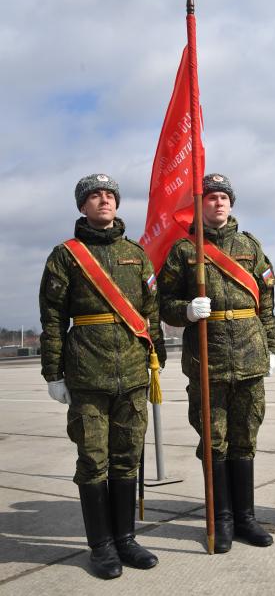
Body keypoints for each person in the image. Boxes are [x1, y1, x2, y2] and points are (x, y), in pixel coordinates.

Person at [39, 174, 166, 579]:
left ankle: (126, 538)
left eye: (110, 195)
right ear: (82, 206)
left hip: (131, 371)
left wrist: (156, 358)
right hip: (87, 373)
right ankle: (101, 546)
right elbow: (53, 318)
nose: (104, 201)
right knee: (94, 460)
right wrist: (53, 372)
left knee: (128, 457)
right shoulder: (65, 256)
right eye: (95, 196)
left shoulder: (136, 254)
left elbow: (151, 310)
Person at [158, 173, 275, 553]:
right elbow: (162, 305)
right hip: (206, 360)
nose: (218, 203)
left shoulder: (251, 246)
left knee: (246, 439)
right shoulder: (182, 251)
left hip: (249, 356)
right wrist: (187, 312)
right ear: (199, 204)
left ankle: (246, 518)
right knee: (214, 442)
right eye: (210, 197)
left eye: (224, 196)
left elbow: (267, 305)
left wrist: (271, 349)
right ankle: (222, 518)